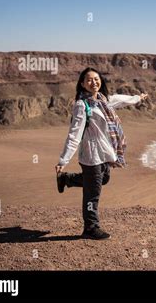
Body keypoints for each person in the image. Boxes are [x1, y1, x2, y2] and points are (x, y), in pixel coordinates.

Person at [55, 67, 148, 240]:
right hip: (91, 156)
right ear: (82, 84)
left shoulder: (103, 101)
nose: (93, 82)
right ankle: (90, 228)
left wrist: (138, 98)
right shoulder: (82, 105)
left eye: (96, 79)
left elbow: (121, 100)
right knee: (93, 192)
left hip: (104, 152)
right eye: (89, 80)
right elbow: (74, 134)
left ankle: (66, 179)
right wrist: (63, 160)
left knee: (104, 179)